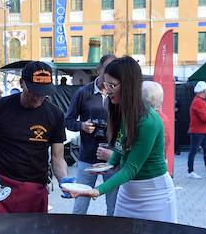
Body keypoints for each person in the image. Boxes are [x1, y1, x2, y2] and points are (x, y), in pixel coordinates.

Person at [68, 57, 178, 223]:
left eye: (112, 85)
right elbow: (119, 151)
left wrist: (97, 191)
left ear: (128, 86)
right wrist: (108, 164)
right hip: (128, 192)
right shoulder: (121, 112)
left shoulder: (149, 121)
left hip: (154, 194)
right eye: (106, 84)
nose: (107, 90)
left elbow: (130, 168)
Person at [0, 62, 70, 214]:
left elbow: (57, 158)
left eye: (44, 92)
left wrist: (63, 180)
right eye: (34, 91)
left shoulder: (55, 115)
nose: (39, 97)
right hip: (1, 187)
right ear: (22, 83)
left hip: (34, 189)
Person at [64, 53, 118, 217]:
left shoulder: (117, 94)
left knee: (114, 207)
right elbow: (68, 121)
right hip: (87, 158)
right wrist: (82, 126)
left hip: (112, 158)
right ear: (99, 69)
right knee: (80, 205)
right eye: (108, 68)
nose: (111, 74)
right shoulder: (83, 93)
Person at [187, 80, 206, 178]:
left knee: (204, 150)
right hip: (198, 131)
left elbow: (204, 116)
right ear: (204, 90)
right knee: (194, 151)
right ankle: (190, 172)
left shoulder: (199, 101)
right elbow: (204, 118)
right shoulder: (199, 102)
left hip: (201, 131)